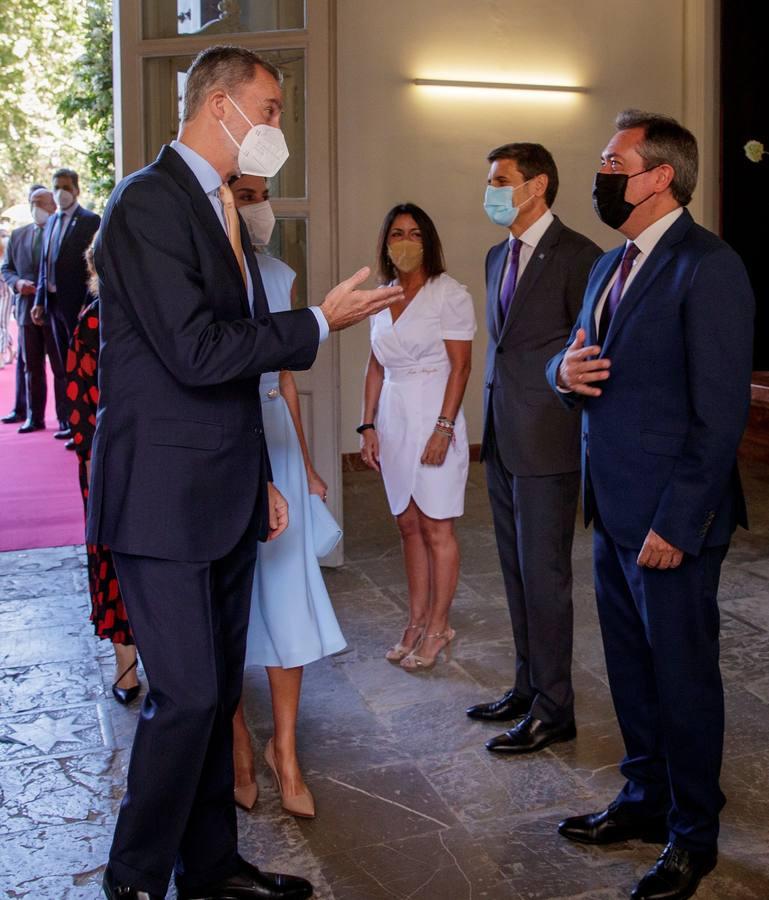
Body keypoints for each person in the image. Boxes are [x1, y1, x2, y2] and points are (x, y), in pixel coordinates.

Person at [91, 46, 402, 900]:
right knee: (188, 697)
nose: (275, 129)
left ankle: (212, 869)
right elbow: (195, 352)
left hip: (223, 488)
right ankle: (133, 879)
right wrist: (319, 319)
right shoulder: (147, 202)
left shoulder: (219, 204)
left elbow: (236, 376)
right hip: (158, 497)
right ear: (219, 104)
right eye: (267, 110)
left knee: (216, 686)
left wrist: (262, 473)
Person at [546, 110, 754, 900]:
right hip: (611, 509)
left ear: (658, 175)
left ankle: (691, 834)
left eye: (611, 161)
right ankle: (642, 799)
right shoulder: (609, 267)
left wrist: (678, 521)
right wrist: (560, 379)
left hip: (670, 521)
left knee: (683, 678)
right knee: (630, 671)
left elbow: (718, 415)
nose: (599, 173)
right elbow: (568, 362)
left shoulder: (709, 268)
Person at [466, 144, 602, 754]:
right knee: (516, 572)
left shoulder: (581, 257)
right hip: (501, 436)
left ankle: (555, 708)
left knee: (545, 578)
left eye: (501, 180)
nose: (491, 190)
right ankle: (526, 688)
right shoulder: (498, 255)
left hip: (549, 440)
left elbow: (590, 353)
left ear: (537, 185)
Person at [230, 173, 346, 819]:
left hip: (273, 437)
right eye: (243, 194)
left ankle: (287, 750)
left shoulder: (282, 274)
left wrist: (303, 465)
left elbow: (285, 381)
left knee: (288, 596)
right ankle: (238, 745)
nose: (257, 206)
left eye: (259, 194)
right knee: (229, 603)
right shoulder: (204, 271)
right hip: (224, 445)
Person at [360, 203, 476, 671]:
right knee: (407, 524)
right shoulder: (382, 296)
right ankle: (415, 620)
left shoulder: (448, 293)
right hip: (393, 416)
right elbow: (374, 364)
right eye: (395, 234)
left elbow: (462, 365)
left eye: (413, 233)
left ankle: (439, 625)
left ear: (427, 240)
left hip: (434, 413)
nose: (404, 242)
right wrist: (367, 425)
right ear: (386, 244)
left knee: (436, 525)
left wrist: (444, 428)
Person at [65, 243, 141, 705]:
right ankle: (125, 664)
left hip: (156, 455)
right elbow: (78, 400)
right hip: (109, 459)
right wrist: (97, 473)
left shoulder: (160, 311)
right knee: (113, 557)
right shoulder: (94, 318)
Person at [31, 167, 100, 444]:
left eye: (65, 187)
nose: (60, 192)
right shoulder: (51, 222)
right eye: (56, 186)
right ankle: (70, 422)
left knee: (82, 367)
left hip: (78, 307)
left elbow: (93, 269)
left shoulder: (89, 221)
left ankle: (87, 424)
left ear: (76, 190)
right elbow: (44, 268)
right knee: (61, 366)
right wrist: (39, 301)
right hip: (53, 304)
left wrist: (88, 305)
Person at [1, 187, 57, 432]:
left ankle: (66, 420)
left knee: (59, 365)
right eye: (32, 202)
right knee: (30, 365)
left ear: (52, 205)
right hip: (25, 309)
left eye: (41, 202)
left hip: (53, 310)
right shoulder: (18, 235)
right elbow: (7, 268)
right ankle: (33, 416)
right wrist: (18, 283)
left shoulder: (58, 232)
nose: (36, 207)